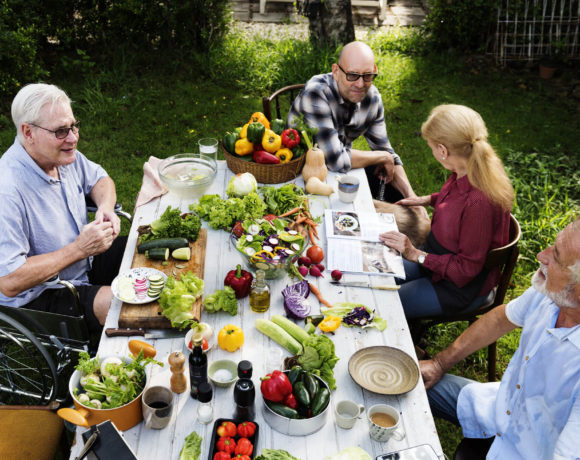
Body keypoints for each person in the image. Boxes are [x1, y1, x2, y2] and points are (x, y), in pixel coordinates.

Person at [420, 218, 580, 459]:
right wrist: (439, 363)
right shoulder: (551, 293)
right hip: (495, 407)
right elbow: (500, 319)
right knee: (407, 382)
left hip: (525, 452)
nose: (541, 255)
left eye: (556, 257)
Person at [0, 83, 125, 332]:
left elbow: (101, 180)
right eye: (60, 131)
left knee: (145, 255)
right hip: (39, 294)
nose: (73, 138)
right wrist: (79, 249)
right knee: (122, 306)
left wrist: (106, 207)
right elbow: (10, 281)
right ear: (28, 132)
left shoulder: (62, 155)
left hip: (82, 263)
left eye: (73, 126)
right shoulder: (7, 190)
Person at [379, 104, 514, 319]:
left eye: (431, 147)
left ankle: (409, 342)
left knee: (383, 306)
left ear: (443, 150)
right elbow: (457, 198)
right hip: (436, 262)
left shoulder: (479, 202)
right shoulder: (469, 166)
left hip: (457, 287)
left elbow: (466, 270)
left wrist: (415, 254)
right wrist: (428, 199)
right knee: (374, 279)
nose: (432, 152)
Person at [287, 41, 419, 203]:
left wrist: (412, 197)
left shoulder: (372, 98)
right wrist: (383, 156)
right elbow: (334, 159)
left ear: (375, 70)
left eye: (368, 75)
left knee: (397, 191)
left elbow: (386, 152)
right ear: (336, 71)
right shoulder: (316, 92)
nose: (360, 84)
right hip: (296, 172)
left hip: (339, 169)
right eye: (352, 75)